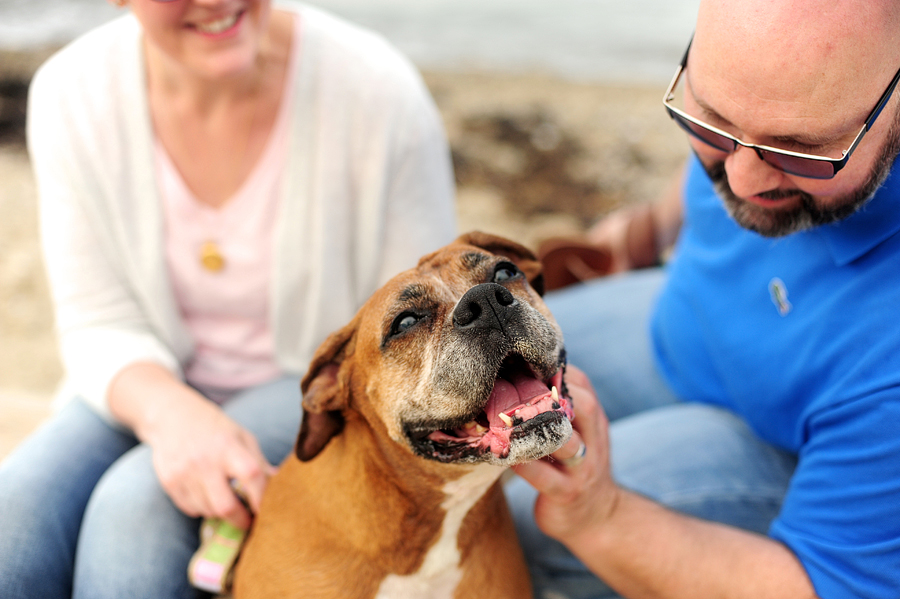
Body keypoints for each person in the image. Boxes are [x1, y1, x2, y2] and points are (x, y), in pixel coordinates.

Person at [0, 0, 456, 597]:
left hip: (313, 389)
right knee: (13, 522)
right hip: (139, 379)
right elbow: (97, 321)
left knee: (131, 512)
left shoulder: (379, 92)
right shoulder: (71, 92)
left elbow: (422, 326)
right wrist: (172, 414)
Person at [506, 1, 900, 598]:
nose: (740, 184)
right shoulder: (774, 89)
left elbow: (829, 586)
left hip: (798, 454)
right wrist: (649, 230)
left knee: (517, 525)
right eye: (713, 122)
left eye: (798, 149)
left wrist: (600, 516)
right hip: (672, 316)